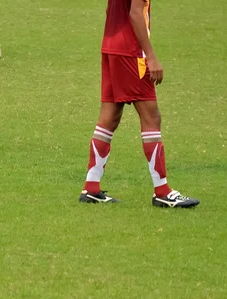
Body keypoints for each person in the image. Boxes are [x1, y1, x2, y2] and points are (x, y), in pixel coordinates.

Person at [79, 0, 200, 208]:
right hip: (130, 52)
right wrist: (151, 57)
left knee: (110, 116)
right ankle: (162, 191)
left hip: (110, 47)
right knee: (152, 117)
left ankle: (91, 188)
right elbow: (135, 13)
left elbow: (112, 9)